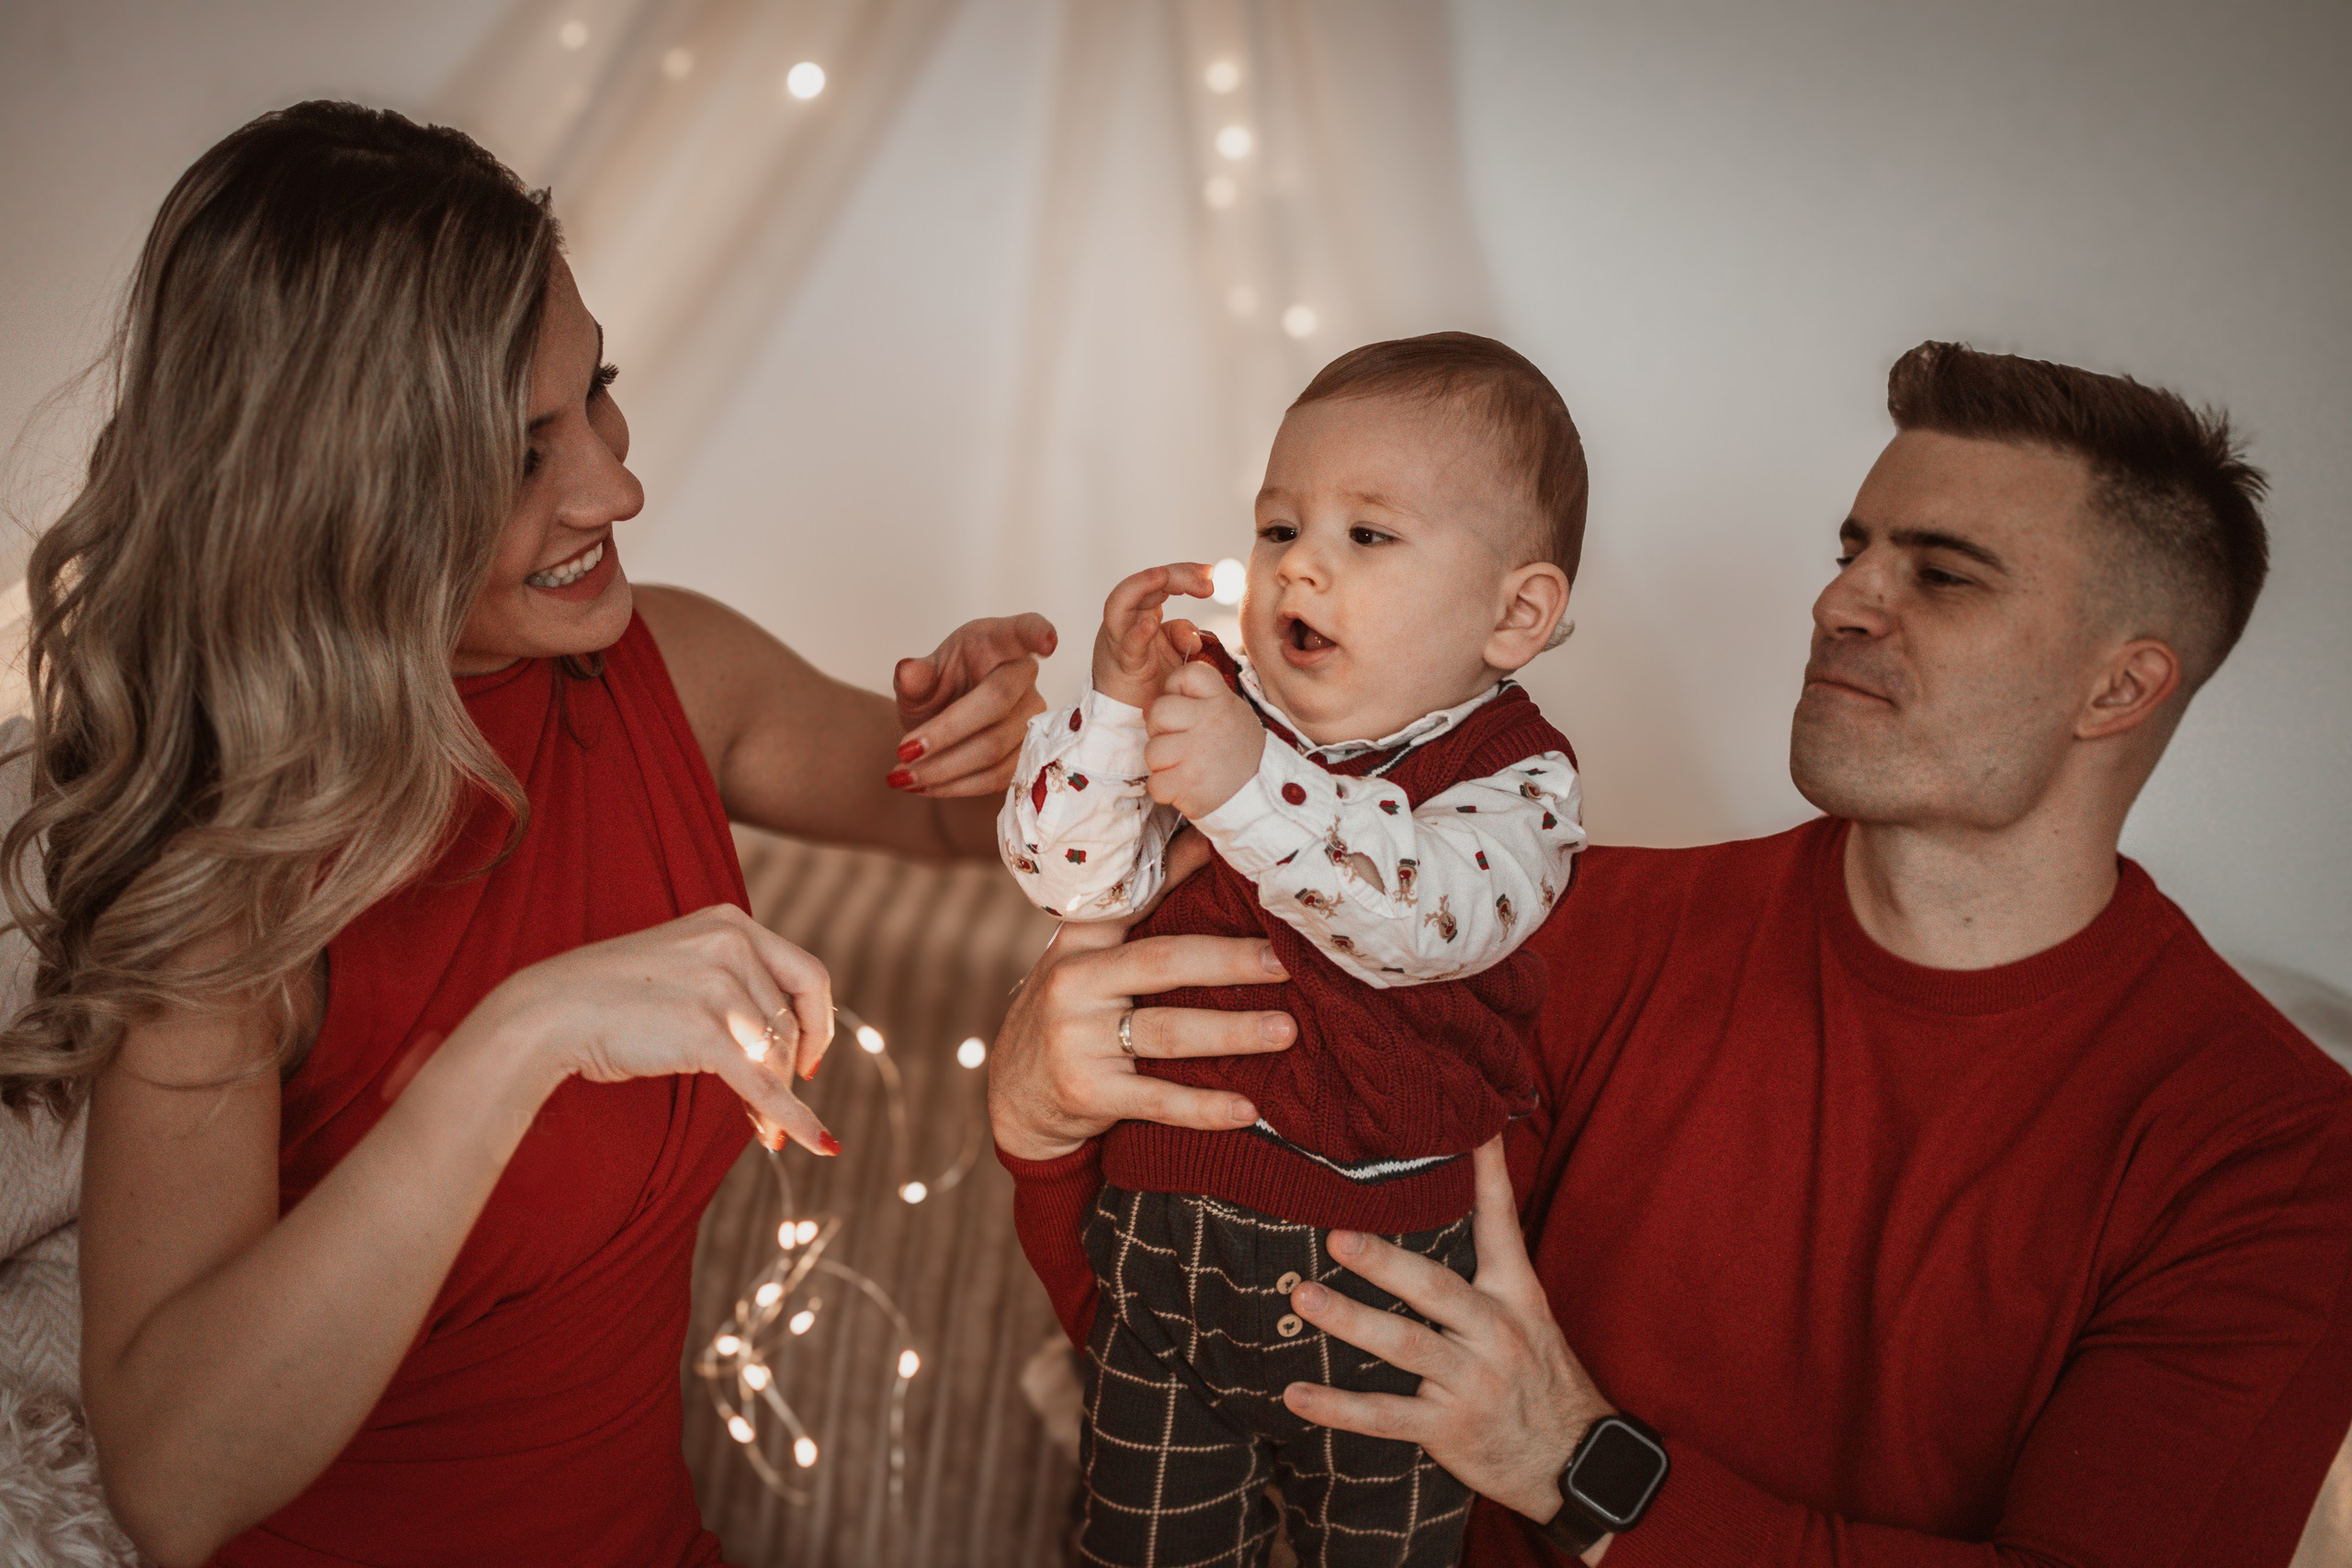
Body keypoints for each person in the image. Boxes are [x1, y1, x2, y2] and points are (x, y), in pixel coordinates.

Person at [989, 342, 2352, 1565]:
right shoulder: (1557, 925)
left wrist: (1581, 1468)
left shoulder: (2279, 1157)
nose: (1844, 603)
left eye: (1938, 573)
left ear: (2120, 685)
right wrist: (1038, 1130)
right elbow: (1233, 1340)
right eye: (1853, 550)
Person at [0, 102, 1052, 1568]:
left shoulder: (663, 675)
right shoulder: (226, 870)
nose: (617, 486)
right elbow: (176, 1485)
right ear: (333, 495)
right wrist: (519, 1039)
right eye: (516, 453)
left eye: (596, 392)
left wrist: (1036, 733)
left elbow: (968, 827)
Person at [998, 335, 1587, 1563]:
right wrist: (1115, 711)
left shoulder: (1518, 779)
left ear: (1515, 613)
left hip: (1381, 1272)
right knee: (1139, 1544)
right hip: (1160, 1234)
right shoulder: (1218, 706)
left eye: (1368, 536)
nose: (1301, 565)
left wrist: (1244, 784)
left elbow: (1424, 920)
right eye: (1278, 529)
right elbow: (1069, 877)